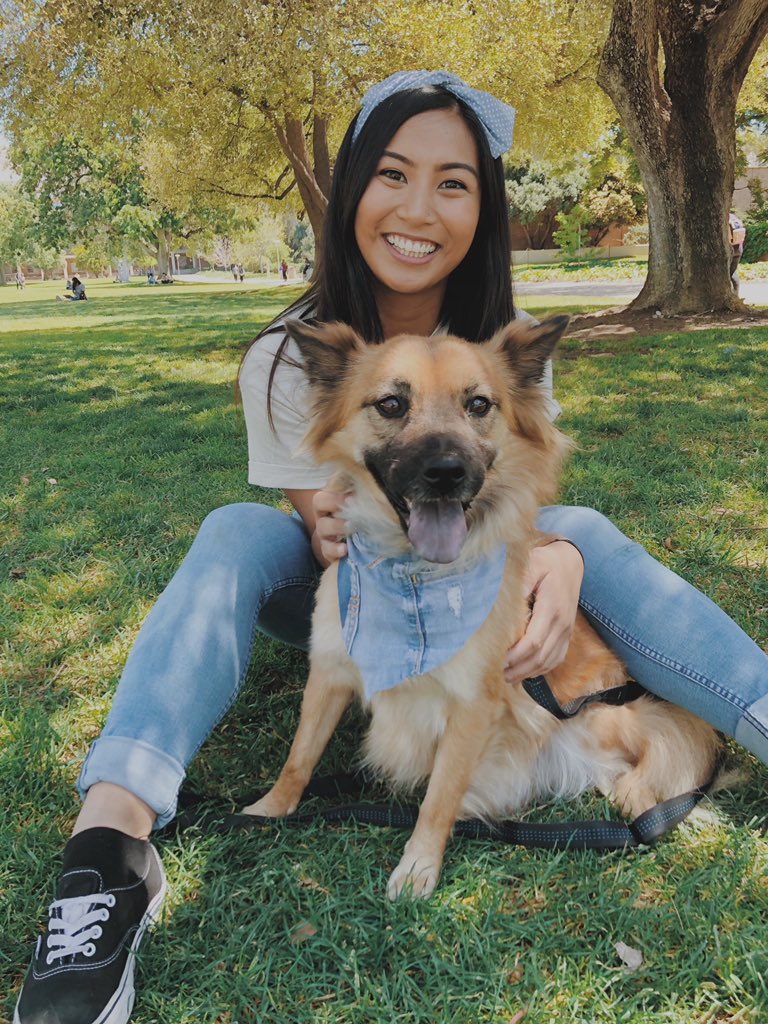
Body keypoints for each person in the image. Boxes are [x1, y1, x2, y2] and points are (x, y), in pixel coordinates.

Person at [14, 70, 768, 1024]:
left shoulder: (507, 359)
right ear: (353, 189)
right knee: (237, 528)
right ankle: (109, 849)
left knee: (578, 533)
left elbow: (522, 494)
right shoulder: (290, 358)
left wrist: (561, 555)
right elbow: (324, 524)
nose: (420, 208)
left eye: (453, 182)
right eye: (394, 174)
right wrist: (337, 510)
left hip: (473, 576)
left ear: (482, 207)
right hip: (346, 587)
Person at [728, 210, 746, 294]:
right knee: (733, 272)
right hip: (738, 247)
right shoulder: (733, 217)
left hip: (728, 248)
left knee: (726, 274)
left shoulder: (722, 218)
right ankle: (736, 294)